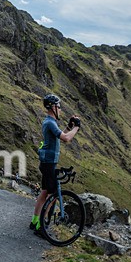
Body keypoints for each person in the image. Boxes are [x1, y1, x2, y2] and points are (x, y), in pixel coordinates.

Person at [31, 94, 80, 234]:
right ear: (53, 107)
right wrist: (76, 128)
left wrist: (69, 126)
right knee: (52, 195)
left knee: (44, 193)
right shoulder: (50, 123)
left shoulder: (49, 122)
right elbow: (66, 138)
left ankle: (35, 221)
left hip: (46, 162)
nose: (60, 110)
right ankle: (41, 227)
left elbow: (60, 135)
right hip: (49, 163)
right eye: (58, 107)